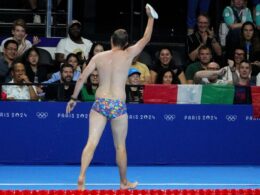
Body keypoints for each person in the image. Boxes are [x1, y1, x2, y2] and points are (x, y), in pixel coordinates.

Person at [66, 4, 156, 190]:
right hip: (118, 105)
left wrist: (73, 98)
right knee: (120, 147)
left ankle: (81, 177)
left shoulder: (99, 57)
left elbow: (82, 77)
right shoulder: (129, 54)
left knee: (91, 142)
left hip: (100, 103)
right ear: (126, 44)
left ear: (111, 40)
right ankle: (124, 183)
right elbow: (146, 38)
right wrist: (150, 17)